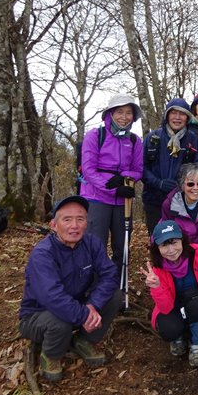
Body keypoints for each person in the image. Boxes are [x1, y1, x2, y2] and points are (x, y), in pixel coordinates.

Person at [19, 196, 122, 381]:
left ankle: (84, 340)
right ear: (53, 225)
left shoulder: (91, 243)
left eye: (80, 219)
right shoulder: (43, 254)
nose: (74, 225)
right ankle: (51, 354)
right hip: (38, 314)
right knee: (60, 320)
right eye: (67, 219)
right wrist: (85, 315)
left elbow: (110, 274)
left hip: (78, 304)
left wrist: (92, 305)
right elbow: (52, 297)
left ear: (86, 223)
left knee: (114, 296)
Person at [140, 220, 198, 368]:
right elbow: (165, 308)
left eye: (174, 243)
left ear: (182, 241)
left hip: (197, 302)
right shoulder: (158, 269)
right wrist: (157, 287)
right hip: (174, 306)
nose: (171, 250)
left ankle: (196, 344)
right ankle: (178, 338)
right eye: (164, 245)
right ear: (157, 248)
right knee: (169, 329)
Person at [80, 94, 143, 278]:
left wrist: (123, 178)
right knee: (95, 244)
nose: (124, 117)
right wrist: (111, 186)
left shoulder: (134, 140)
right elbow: (88, 170)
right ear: (110, 113)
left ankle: (117, 284)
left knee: (122, 245)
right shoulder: (95, 135)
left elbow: (138, 170)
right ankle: (93, 284)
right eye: (119, 112)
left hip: (122, 201)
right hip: (95, 198)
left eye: (129, 112)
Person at [142, 98, 198, 234]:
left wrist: (181, 186)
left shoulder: (192, 139)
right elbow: (142, 167)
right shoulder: (153, 137)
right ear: (167, 115)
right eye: (174, 113)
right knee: (157, 238)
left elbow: (196, 167)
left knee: (180, 238)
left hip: (181, 200)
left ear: (187, 118)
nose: (177, 118)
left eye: (182, 114)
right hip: (153, 198)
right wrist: (159, 183)